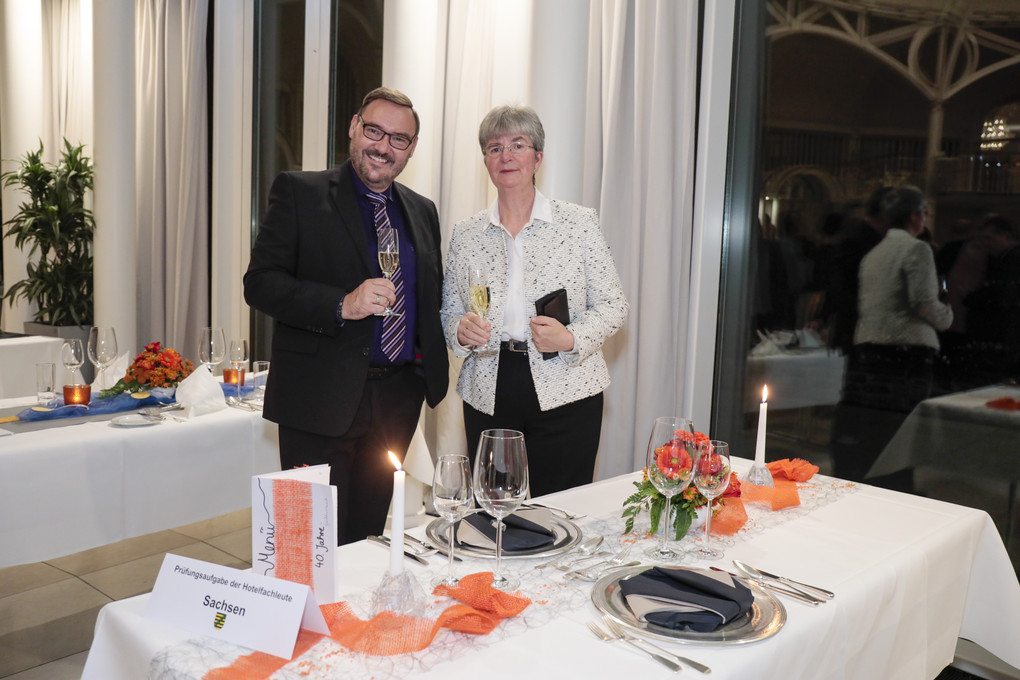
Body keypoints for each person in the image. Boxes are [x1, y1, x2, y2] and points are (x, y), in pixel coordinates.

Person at [244, 87, 448, 544]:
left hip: (397, 402)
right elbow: (260, 284)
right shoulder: (299, 192)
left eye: (398, 139)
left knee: (367, 541)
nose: (383, 146)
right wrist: (342, 304)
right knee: (306, 544)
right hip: (318, 398)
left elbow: (428, 298)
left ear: (411, 148)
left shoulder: (422, 211)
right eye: (374, 131)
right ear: (354, 127)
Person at [440, 105, 629, 496]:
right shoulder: (466, 233)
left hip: (567, 386)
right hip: (489, 387)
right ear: (486, 161)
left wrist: (571, 338)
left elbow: (614, 305)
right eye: (495, 148)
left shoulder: (579, 223)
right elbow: (450, 312)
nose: (506, 156)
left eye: (518, 145)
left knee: (560, 511)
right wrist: (459, 331)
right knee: (493, 510)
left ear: (538, 158)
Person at [833, 185, 952, 484]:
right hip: (906, 352)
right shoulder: (917, 248)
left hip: (870, 348)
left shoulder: (875, 253)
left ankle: (877, 486)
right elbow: (923, 303)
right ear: (914, 216)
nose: (925, 218)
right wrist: (947, 316)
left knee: (875, 429)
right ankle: (898, 486)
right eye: (924, 213)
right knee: (901, 433)